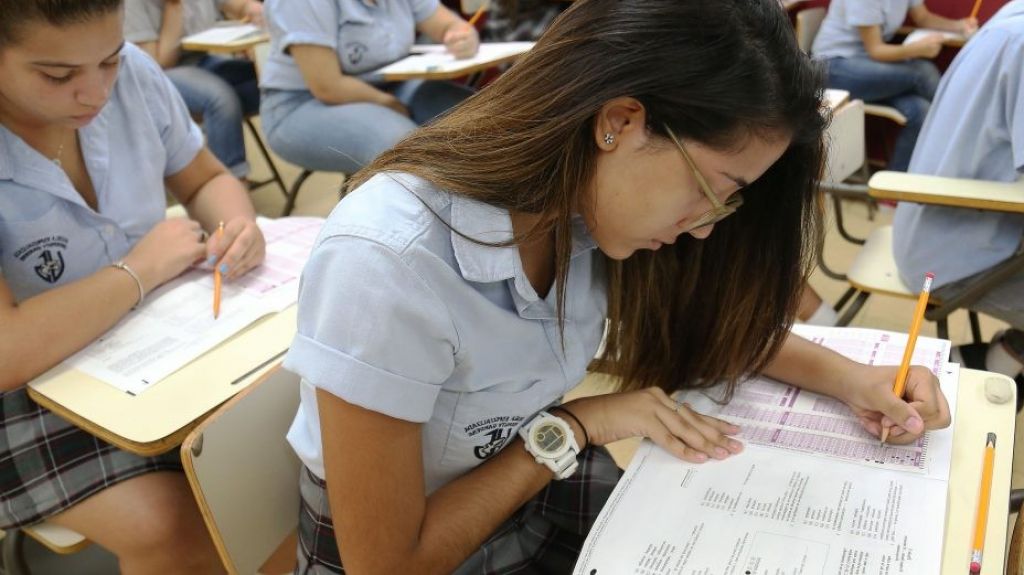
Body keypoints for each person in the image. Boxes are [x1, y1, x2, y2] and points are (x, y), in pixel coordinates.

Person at [281, 0, 951, 572]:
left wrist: (857, 379)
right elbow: (390, 561)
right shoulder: (389, 261)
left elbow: (713, 326)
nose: (705, 229)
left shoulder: (582, 210)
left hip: (520, 488)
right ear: (620, 122)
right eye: (713, 190)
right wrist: (576, 424)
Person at [0, 1, 266, 572]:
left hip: (143, 332)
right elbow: (8, 352)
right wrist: (139, 271)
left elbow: (208, 179)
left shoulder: (136, 77)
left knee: (269, 451)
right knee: (168, 521)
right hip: (22, 382)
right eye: (57, 75)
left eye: (111, 60)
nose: (95, 93)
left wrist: (237, 224)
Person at [893, 0, 1024, 390]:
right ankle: (978, 375)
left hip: (948, 232)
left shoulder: (1012, 17)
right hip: (954, 257)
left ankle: (989, 366)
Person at [259, 0, 478, 175]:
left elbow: (450, 25)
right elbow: (327, 86)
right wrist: (389, 103)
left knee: (483, 122)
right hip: (302, 104)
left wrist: (462, 36)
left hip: (392, 85)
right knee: (405, 150)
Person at [811, 0, 977, 171]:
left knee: (921, 110)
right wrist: (917, 49)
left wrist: (960, 25)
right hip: (834, 67)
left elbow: (923, 17)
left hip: (868, 66)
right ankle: (966, 134)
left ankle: (892, 190)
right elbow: (876, 50)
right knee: (923, 72)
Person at [125, 0, 265, 181]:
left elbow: (238, 5)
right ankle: (232, 185)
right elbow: (156, 64)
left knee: (264, 80)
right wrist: (173, 6)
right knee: (220, 99)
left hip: (203, 60)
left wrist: (252, 9)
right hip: (159, 78)